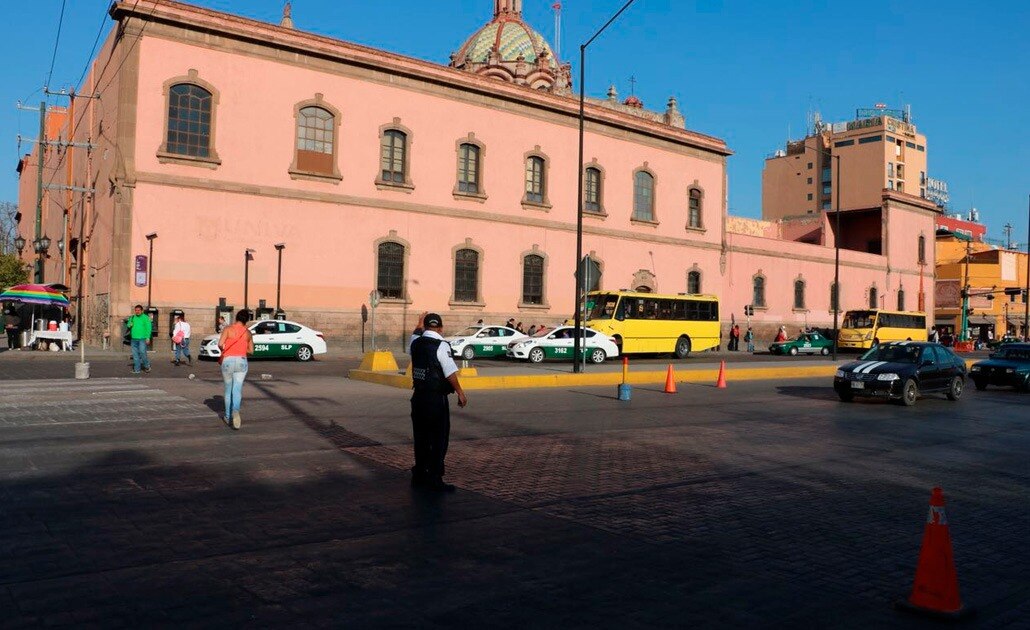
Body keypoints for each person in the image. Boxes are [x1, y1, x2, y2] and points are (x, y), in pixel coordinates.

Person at [409, 311, 467, 492]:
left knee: (421, 437)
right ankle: (435, 478)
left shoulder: (415, 343)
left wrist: (419, 322)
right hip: (435, 399)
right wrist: (460, 392)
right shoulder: (441, 345)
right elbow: (449, 372)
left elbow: (415, 333)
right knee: (438, 438)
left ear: (425, 326)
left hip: (418, 398)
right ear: (441, 328)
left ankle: (420, 472)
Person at [218, 309, 253, 430]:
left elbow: (220, 344)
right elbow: (251, 351)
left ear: (236, 317)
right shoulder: (248, 333)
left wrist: (225, 349)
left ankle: (228, 416)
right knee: (237, 390)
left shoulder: (228, 329)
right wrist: (242, 348)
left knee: (228, 390)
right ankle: (236, 411)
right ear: (246, 320)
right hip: (242, 361)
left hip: (228, 360)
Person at [128, 305, 152, 374]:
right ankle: (137, 369)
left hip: (142, 339)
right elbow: (128, 325)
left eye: (138, 310)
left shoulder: (145, 318)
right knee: (135, 355)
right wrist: (130, 324)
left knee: (142, 352)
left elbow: (148, 328)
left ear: (142, 311)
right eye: (136, 310)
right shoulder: (132, 317)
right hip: (133, 339)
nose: (137, 311)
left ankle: (147, 366)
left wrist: (148, 337)